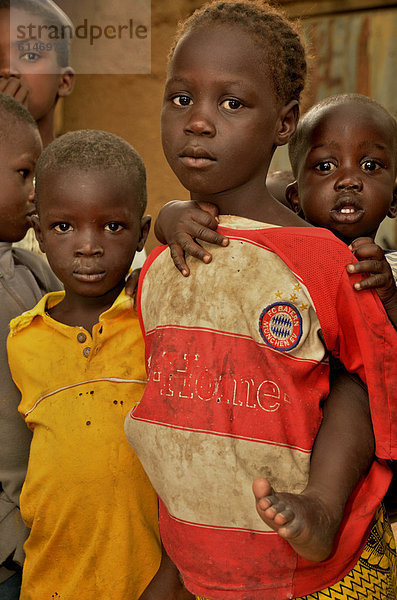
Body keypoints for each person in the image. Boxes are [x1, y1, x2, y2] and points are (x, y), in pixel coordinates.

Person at [124, 2, 397, 599]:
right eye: (180, 99)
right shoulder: (158, 266)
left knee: (354, 377)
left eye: (231, 103)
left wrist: (328, 502)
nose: (198, 122)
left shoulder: (319, 255)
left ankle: (320, 509)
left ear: (284, 123)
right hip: (203, 563)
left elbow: (375, 375)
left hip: (313, 577)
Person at [5, 130, 181, 600]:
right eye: (64, 227)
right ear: (38, 231)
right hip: (51, 579)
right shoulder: (24, 339)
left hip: (151, 579)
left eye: (112, 227)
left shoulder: (156, 321)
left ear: (142, 233)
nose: (88, 246)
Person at [0, 92, 61, 598]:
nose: (36, 191)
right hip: (12, 542)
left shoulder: (28, 267)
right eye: (25, 174)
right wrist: (13, 532)